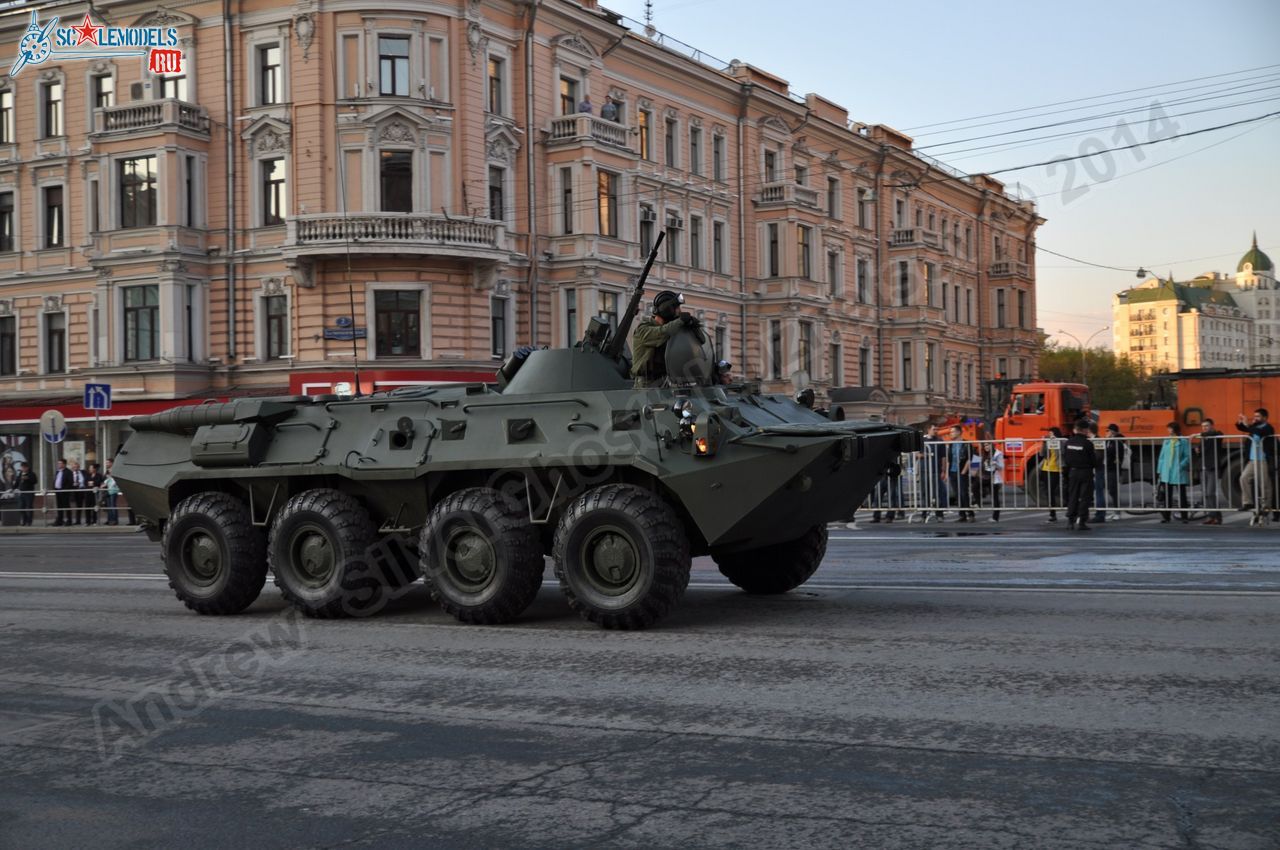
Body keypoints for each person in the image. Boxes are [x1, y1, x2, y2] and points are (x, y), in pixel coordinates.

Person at [630, 290, 696, 388]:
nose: (680, 312)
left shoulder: (672, 329)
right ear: (667, 309)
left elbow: (700, 342)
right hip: (646, 385)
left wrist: (694, 326)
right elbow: (662, 332)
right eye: (677, 308)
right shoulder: (643, 329)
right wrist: (681, 321)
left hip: (666, 381)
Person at [1236, 408, 1274, 515]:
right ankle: (1247, 503)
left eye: (1258, 416)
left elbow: (1259, 432)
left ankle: (1266, 506)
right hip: (1252, 460)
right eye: (1255, 416)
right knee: (1243, 478)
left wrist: (1248, 425)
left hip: (1263, 460)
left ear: (1265, 418)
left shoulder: (1268, 427)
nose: (1255, 418)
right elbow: (1243, 428)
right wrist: (1241, 422)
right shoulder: (1254, 427)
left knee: (1264, 483)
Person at [1062, 419, 1098, 531]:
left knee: (1073, 496)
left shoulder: (1068, 442)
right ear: (1085, 430)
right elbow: (1093, 461)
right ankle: (1082, 521)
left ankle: (1070, 521)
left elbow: (1066, 459)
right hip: (1085, 472)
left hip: (1073, 472)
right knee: (1085, 497)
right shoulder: (1087, 444)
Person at [1157, 421, 1191, 523]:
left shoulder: (1183, 441)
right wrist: (1159, 470)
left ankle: (1184, 516)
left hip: (1178, 471)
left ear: (1174, 429)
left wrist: (1181, 465)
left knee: (1182, 495)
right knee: (1167, 495)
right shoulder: (1166, 441)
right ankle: (1166, 517)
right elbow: (1162, 457)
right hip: (1167, 471)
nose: (1168, 430)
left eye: (1169, 428)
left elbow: (1187, 456)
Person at [1197, 418, 1225, 524]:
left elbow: (1218, 433)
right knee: (1206, 494)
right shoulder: (1203, 438)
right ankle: (1214, 516)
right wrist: (1198, 451)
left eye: (1207, 426)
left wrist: (1198, 434)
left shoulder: (1216, 435)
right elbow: (1201, 453)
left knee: (1210, 493)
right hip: (1203, 467)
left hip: (1212, 467)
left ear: (1212, 426)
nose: (1204, 428)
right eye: (1203, 426)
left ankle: (1214, 516)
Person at [946, 425, 974, 522]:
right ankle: (962, 515)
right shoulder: (951, 444)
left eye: (952, 432)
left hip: (962, 471)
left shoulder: (966, 444)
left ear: (958, 432)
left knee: (964, 493)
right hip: (952, 471)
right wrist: (947, 472)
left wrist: (964, 471)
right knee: (957, 494)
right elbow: (949, 460)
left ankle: (970, 514)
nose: (951, 434)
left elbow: (969, 459)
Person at [1100, 423, 1125, 520]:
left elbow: (1118, 457)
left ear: (1113, 432)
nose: (1106, 432)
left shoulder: (1117, 442)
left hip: (1113, 469)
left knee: (1113, 490)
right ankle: (1115, 511)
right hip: (1107, 468)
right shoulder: (1108, 441)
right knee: (1111, 490)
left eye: (1108, 431)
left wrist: (1116, 465)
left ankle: (1117, 512)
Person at [922, 425, 947, 522]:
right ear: (928, 429)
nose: (936, 431)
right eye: (934, 429)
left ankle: (939, 514)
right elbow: (916, 454)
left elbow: (943, 457)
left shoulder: (940, 441)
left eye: (937, 429)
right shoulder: (922, 440)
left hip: (936, 470)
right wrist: (926, 455)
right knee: (925, 493)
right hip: (924, 470)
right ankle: (924, 514)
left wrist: (943, 470)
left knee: (937, 493)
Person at [870, 457, 903, 523]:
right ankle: (876, 516)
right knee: (878, 496)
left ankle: (889, 516)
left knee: (891, 497)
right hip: (882, 475)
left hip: (891, 475)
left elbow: (897, 464)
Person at [1041, 427, 1063, 523]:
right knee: (1048, 492)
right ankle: (1052, 514)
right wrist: (1044, 443)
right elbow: (1042, 454)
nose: (1050, 436)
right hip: (1046, 468)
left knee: (1052, 491)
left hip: (1055, 469)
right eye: (1049, 434)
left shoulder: (1061, 442)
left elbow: (1062, 452)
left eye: (1052, 434)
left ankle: (1054, 513)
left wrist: (1056, 442)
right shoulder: (1047, 442)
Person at [16, 461, 37, 527]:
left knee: (29, 507)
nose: (23, 469)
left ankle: (29, 521)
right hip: (22, 493)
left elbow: (35, 481)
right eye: (22, 467)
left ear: (27, 468)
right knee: (21, 507)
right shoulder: (20, 473)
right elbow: (17, 482)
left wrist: (27, 478)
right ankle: (24, 520)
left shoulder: (31, 474)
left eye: (24, 467)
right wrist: (12, 488)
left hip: (29, 493)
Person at [52, 459, 71, 527]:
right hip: (58, 491)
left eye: (60, 463)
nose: (59, 465)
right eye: (58, 463)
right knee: (59, 506)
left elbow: (69, 482)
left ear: (64, 464)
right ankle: (60, 520)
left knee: (66, 506)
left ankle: (69, 520)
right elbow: (56, 480)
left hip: (64, 492)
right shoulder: (58, 471)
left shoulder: (68, 472)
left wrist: (65, 489)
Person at [84, 461, 104, 526]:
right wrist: (92, 483)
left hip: (95, 494)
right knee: (87, 507)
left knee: (95, 507)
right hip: (88, 493)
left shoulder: (99, 475)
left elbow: (98, 482)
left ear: (94, 469)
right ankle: (87, 521)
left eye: (91, 468)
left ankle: (94, 521)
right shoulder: (87, 475)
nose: (90, 469)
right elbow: (85, 483)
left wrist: (92, 483)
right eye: (89, 468)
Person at [69, 461, 87, 525]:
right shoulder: (70, 474)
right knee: (75, 506)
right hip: (74, 491)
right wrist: (74, 484)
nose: (75, 468)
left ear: (79, 467)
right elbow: (68, 483)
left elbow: (86, 479)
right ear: (72, 468)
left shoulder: (83, 472)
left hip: (82, 491)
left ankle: (81, 520)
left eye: (76, 467)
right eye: (74, 467)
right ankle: (75, 521)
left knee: (81, 506)